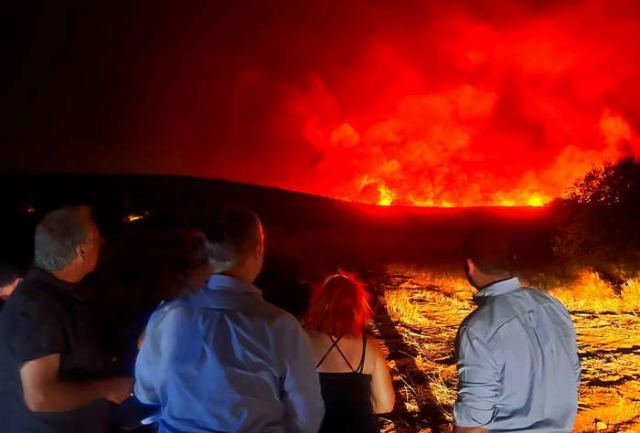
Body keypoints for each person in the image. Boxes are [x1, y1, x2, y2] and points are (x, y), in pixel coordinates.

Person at [135, 207, 324, 433]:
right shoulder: (280, 326)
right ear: (258, 249)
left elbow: (146, 392)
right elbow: (307, 411)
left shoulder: (168, 317)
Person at [0, 205, 133, 433]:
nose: (102, 243)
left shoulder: (54, 295)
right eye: (97, 238)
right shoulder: (39, 306)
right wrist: (107, 389)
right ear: (81, 251)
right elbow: (40, 396)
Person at [453, 227, 580, 433]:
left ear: (470, 265)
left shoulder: (478, 328)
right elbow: (572, 373)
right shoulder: (552, 305)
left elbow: (474, 422)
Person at [305, 272, 395, 433]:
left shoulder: (301, 341)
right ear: (357, 307)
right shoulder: (370, 346)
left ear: (319, 304)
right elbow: (385, 404)